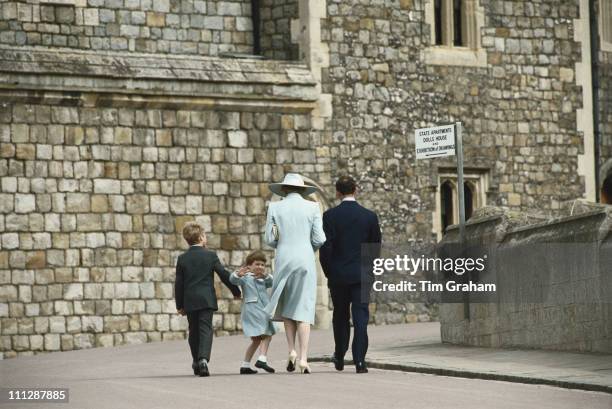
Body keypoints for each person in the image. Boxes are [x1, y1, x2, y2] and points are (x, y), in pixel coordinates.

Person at [264, 173, 326, 374]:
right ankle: (303, 358)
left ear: (284, 189)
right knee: (304, 309)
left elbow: (269, 239)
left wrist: (281, 243)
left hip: (283, 257)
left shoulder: (275, 207)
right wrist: (308, 248)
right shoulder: (312, 207)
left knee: (287, 307)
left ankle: (290, 350)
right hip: (305, 257)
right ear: (302, 190)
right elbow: (320, 238)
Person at [319, 175, 382, 374]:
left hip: (338, 275)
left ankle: (339, 355)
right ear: (356, 190)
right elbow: (375, 248)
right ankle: (360, 361)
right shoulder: (369, 216)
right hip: (362, 274)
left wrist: (330, 273)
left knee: (340, 316)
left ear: (337, 192)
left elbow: (326, 249)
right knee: (361, 317)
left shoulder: (329, 216)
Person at [175, 222, 241, 377]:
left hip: (190, 301)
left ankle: (196, 360)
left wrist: (180, 305)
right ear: (201, 238)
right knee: (205, 329)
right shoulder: (210, 255)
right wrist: (235, 290)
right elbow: (223, 274)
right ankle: (203, 359)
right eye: (204, 235)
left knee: (193, 331)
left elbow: (179, 284)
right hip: (206, 299)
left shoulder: (182, 258)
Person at [229, 250, 276, 374]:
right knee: (267, 333)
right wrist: (238, 274)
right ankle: (262, 359)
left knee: (256, 339)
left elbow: (272, 281)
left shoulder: (263, 278)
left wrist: (265, 276)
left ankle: (245, 365)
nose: (260, 267)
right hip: (253, 310)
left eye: (262, 265)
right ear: (249, 266)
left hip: (263, 310)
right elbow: (233, 280)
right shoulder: (245, 277)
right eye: (257, 264)